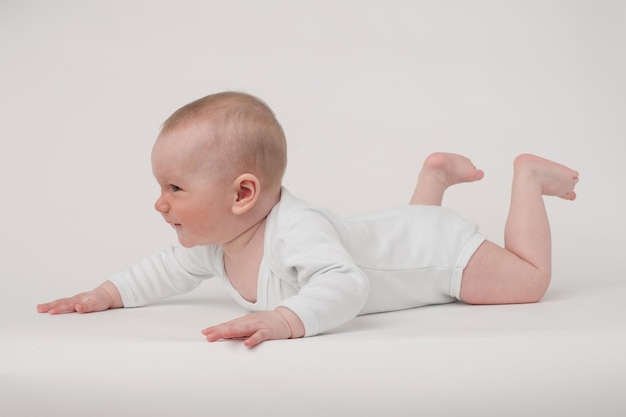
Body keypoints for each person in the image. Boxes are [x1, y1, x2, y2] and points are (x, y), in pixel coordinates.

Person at [37, 92, 579, 348]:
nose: (160, 204)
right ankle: (433, 176)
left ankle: (528, 179)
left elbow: (347, 283)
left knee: (529, 281)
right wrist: (106, 294)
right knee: (402, 229)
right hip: (401, 230)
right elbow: (164, 271)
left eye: (174, 189)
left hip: (438, 254)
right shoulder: (220, 239)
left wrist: (284, 320)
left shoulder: (297, 229)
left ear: (242, 193)